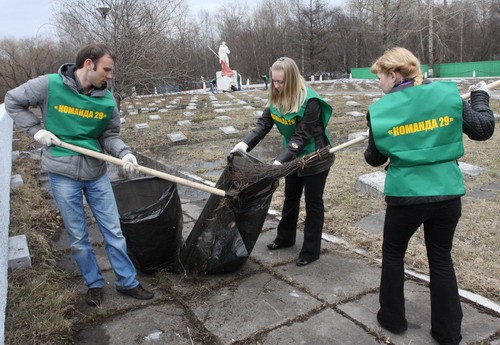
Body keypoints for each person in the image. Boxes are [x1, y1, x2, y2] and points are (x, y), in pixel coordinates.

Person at [5, 43, 154, 307]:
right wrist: (36, 131)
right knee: (77, 236)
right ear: (88, 64)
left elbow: (110, 135)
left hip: (96, 172)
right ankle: (94, 283)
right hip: (62, 173)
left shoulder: (107, 99)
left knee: (114, 231)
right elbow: (13, 101)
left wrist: (125, 154)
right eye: (106, 69)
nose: (109, 76)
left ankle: (127, 282)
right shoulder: (49, 85)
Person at [363, 47, 494, 345]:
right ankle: (448, 332)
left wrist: (375, 134)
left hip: (405, 197)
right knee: (441, 259)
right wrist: (480, 97)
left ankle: (392, 318)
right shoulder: (447, 96)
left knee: (394, 254)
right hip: (446, 195)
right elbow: (483, 128)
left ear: (395, 75)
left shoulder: (381, 110)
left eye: (379, 77)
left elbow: (373, 158)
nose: (378, 83)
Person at [231, 57, 334, 267]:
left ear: (293, 79)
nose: (277, 86)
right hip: (292, 155)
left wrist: (279, 161)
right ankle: (285, 238)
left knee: (313, 203)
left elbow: (302, 136)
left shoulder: (310, 101)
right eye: (274, 81)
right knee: (290, 197)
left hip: (315, 155)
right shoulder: (275, 97)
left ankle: (311, 250)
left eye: (281, 82)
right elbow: (263, 125)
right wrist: (244, 144)